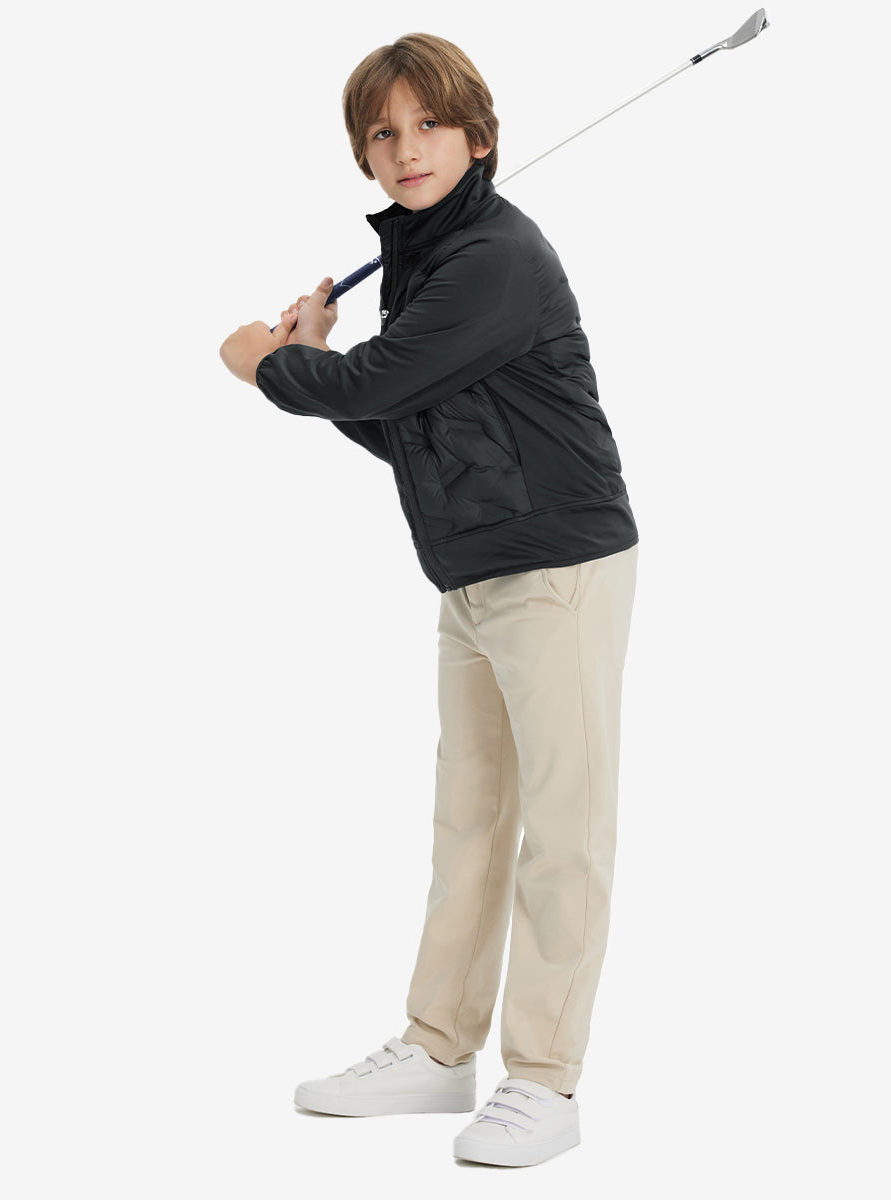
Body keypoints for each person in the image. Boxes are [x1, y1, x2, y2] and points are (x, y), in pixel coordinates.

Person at [219, 32, 639, 1168]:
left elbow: (377, 382)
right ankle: (440, 1047)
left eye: (430, 125)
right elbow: (403, 422)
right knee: (470, 818)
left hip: (557, 569)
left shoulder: (494, 259)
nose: (407, 149)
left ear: (479, 138)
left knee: (565, 830)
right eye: (383, 132)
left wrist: (271, 364)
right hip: (473, 568)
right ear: (365, 155)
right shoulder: (426, 260)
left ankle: (544, 1081)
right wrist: (313, 364)